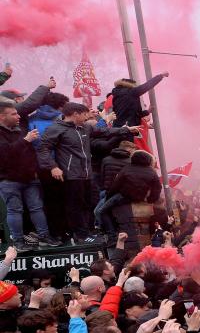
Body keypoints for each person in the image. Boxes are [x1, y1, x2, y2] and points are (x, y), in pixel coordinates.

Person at [36, 102, 140, 243]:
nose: (87, 117)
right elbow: (43, 149)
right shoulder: (56, 128)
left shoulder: (85, 127)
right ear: (75, 114)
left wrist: (126, 130)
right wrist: (53, 166)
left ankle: (88, 232)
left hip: (87, 173)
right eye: (85, 114)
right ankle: (80, 235)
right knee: (75, 206)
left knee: (89, 203)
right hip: (70, 174)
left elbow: (104, 132)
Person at [0, 101, 60, 248]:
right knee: (15, 210)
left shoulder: (20, 130)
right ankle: (18, 242)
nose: (18, 116)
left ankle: (44, 237)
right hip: (9, 180)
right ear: (2, 116)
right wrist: (26, 141)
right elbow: (5, 155)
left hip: (30, 177)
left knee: (37, 208)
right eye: (13, 114)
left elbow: (31, 152)